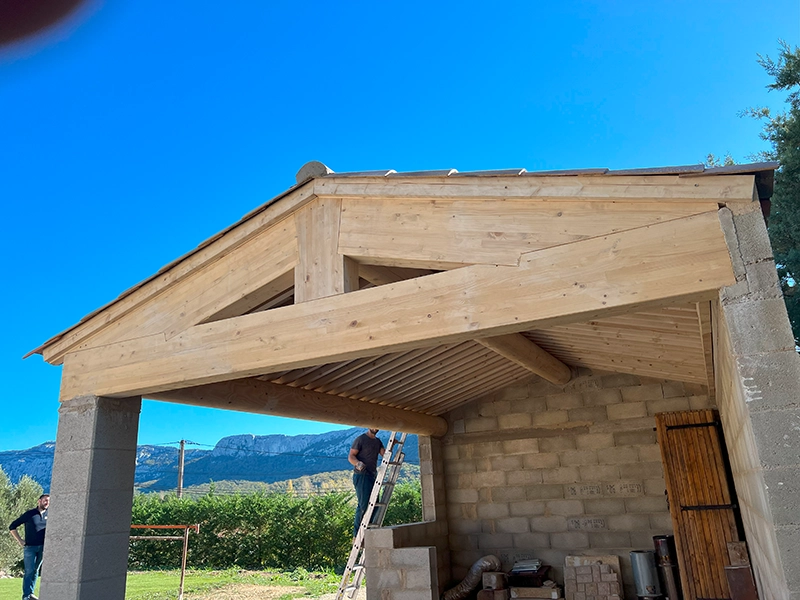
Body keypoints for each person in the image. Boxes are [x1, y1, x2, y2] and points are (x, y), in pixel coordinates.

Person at [8, 494, 49, 600]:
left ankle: (30, 593)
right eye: (45, 500)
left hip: (43, 547)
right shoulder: (30, 514)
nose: (47, 503)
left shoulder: (50, 515)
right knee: (29, 571)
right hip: (30, 547)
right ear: (39, 501)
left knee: (36, 570)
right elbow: (12, 526)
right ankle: (26, 596)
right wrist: (20, 541)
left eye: (48, 501)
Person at [348, 428, 385, 538]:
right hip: (361, 475)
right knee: (364, 505)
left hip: (372, 475)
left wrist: (394, 445)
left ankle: (369, 531)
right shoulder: (361, 439)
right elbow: (351, 456)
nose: (375, 428)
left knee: (375, 504)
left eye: (378, 426)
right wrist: (357, 463)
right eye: (373, 425)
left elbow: (385, 454)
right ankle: (357, 535)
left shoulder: (377, 441)